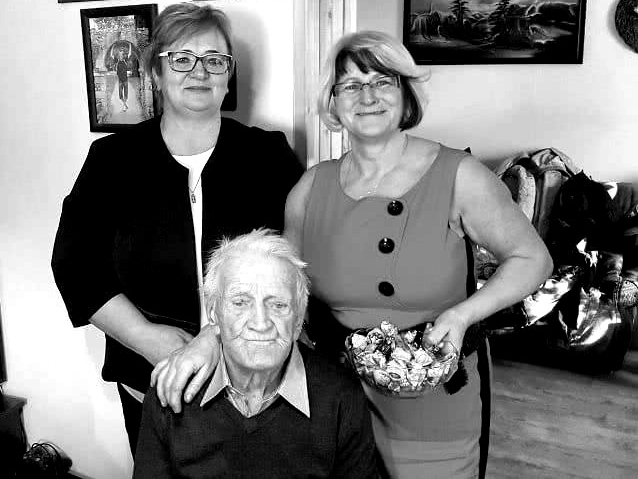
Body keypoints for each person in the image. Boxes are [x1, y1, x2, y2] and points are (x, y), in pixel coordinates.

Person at [151, 30, 553, 478]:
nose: (368, 96)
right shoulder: (309, 188)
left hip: (431, 400)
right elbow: (275, 289)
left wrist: (461, 316)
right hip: (335, 398)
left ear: (405, 94)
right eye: (351, 85)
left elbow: (533, 260)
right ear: (333, 102)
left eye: (382, 81)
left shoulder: (460, 175)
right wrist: (210, 339)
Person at [51, 3, 303, 456]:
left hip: (255, 387)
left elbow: (298, 262)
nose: (199, 71)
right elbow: (76, 266)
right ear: (156, 72)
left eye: (214, 60)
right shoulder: (112, 161)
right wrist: (148, 339)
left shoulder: (268, 156)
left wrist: (218, 340)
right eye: (182, 58)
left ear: (229, 75)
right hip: (150, 385)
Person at [133, 230, 377, 478]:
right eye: (240, 302)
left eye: (278, 305)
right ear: (214, 314)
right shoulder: (172, 389)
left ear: (297, 322)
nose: (260, 323)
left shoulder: (340, 396)